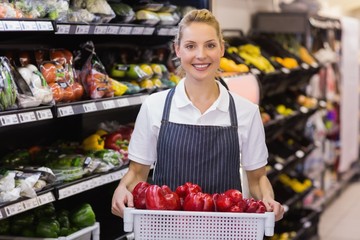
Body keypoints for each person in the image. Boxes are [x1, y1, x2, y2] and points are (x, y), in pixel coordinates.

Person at [111, 8, 284, 221]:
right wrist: (122, 189)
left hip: (225, 230)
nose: (201, 55)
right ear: (177, 50)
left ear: (221, 48)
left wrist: (267, 199)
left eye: (210, 45)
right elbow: (137, 173)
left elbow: (257, 180)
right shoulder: (154, 106)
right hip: (165, 229)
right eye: (190, 46)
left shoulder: (245, 112)